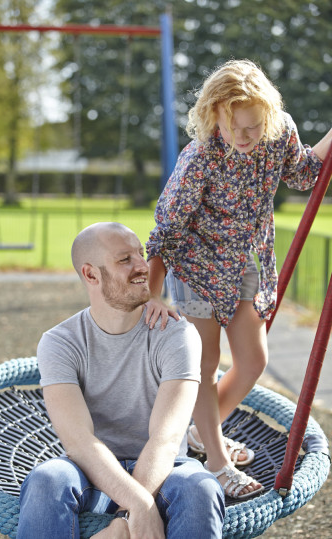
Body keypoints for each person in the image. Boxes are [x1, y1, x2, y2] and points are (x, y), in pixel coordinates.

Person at [145, 59, 332, 499]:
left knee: (252, 362)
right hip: (196, 268)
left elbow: (303, 173)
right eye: (236, 128)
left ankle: (198, 433)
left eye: (254, 126)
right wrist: (153, 293)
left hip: (245, 263)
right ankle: (217, 459)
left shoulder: (277, 129)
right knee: (205, 366)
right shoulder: (198, 160)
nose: (247, 137)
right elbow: (167, 232)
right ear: (214, 116)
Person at [16, 222, 225, 539]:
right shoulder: (60, 342)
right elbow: (79, 443)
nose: (143, 266)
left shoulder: (177, 335)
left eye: (140, 254)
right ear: (91, 275)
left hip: (165, 471)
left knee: (201, 487)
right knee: (48, 479)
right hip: (91, 471)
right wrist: (139, 507)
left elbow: (166, 439)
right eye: (125, 259)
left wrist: (123, 523)